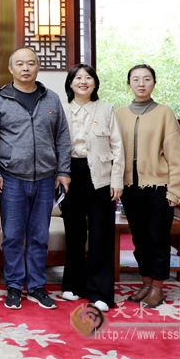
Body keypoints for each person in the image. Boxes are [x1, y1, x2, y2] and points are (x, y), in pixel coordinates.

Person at [0, 47, 71, 311]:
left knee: (39, 236)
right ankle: (14, 285)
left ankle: (36, 286)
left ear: (38, 67)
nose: (25, 68)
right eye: (20, 63)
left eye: (31, 63)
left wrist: (63, 171)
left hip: (46, 179)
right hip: (11, 178)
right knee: (13, 236)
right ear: (11, 68)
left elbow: (62, 137)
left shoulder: (51, 98)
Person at [116, 64, 180, 308]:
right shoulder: (119, 114)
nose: (141, 83)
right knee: (140, 238)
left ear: (154, 83)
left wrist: (176, 190)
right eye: (136, 79)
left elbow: (176, 155)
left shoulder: (164, 113)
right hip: (130, 187)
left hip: (159, 187)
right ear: (129, 83)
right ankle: (146, 283)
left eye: (147, 79)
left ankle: (158, 286)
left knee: (158, 237)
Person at [60, 64, 124, 313]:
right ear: (70, 83)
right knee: (74, 231)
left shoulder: (106, 109)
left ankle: (100, 292)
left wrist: (117, 180)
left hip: (101, 175)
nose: (83, 81)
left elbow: (117, 146)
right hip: (69, 173)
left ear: (95, 83)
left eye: (88, 78)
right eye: (78, 78)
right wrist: (58, 175)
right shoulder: (62, 109)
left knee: (101, 233)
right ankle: (73, 285)